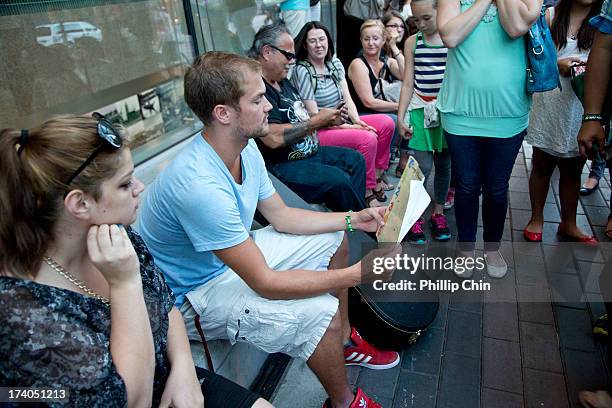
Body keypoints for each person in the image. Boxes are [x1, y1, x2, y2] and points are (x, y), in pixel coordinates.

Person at [138, 51, 402, 408]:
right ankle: (342, 402)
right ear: (223, 113)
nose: (268, 107)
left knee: (335, 236)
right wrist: (356, 274)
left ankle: (342, 343)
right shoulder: (198, 185)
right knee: (318, 314)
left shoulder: (243, 148)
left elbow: (282, 216)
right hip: (193, 296)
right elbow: (266, 283)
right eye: (258, 99)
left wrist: (355, 218)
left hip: (230, 259)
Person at [0, 115, 272, 407]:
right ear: (80, 204)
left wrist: (184, 370)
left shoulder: (116, 234)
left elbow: (168, 308)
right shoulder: (19, 308)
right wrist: (124, 283)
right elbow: (131, 401)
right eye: (125, 183)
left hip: (168, 376)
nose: (139, 187)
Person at [436, 0, 543, 278]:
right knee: (467, 185)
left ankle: (493, 247)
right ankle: (466, 247)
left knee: (497, 186)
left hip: (507, 111)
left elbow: (516, 27)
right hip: (460, 109)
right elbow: (450, 35)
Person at [250, 23, 370, 212]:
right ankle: (362, 224)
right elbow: (272, 138)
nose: (292, 61)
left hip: (310, 153)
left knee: (356, 160)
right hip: (284, 165)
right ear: (266, 52)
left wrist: (330, 118)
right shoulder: (258, 87)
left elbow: (300, 118)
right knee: (338, 180)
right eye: (288, 55)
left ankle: (355, 218)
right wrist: (318, 121)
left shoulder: (283, 81)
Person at [292, 21, 396, 207]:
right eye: (313, 41)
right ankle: (366, 190)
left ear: (328, 41)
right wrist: (352, 126)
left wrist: (357, 121)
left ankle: (378, 175)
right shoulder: (303, 70)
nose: (319, 45)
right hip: (319, 130)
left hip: (343, 121)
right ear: (306, 45)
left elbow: (348, 98)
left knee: (386, 123)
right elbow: (315, 115)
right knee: (367, 138)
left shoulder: (335, 63)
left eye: (322, 39)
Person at [523, 0, 602, 244]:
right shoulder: (549, 15)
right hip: (549, 101)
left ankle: (568, 223)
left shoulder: (602, 23)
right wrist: (558, 64)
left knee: (574, 168)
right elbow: (532, 56)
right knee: (541, 164)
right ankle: (536, 218)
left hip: (581, 106)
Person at [397, 0, 452, 244]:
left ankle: (438, 212)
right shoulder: (413, 42)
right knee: (421, 167)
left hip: (446, 111)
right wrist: (401, 115)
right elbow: (408, 82)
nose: (420, 24)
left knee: (444, 165)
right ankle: (414, 214)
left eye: (426, 18)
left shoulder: (452, 39)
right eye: (416, 20)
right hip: (420, 109)